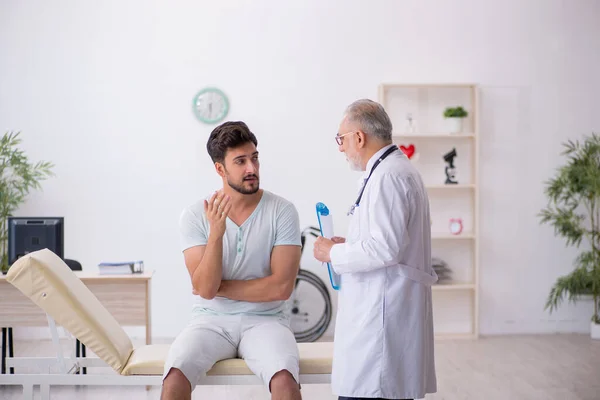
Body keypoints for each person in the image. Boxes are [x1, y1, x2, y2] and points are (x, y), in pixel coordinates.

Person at [161, 121, 303, 400]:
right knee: (175, 377)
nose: (251, 168)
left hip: (267, 320)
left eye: (254, 158)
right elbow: (204, 288)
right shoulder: (194, 215)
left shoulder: (283, 211)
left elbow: (280, 288)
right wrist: (216, 233)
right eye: (240, 161)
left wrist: (218, 288)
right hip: (210, 320)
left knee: (285, 381)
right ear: (220, 169)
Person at [313, 99, 438, 400]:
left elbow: (384, 249)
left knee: (371, 389)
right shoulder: (390, 171)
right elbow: (386, 240)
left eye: (341, 139)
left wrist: (332, 253)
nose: (340, 148)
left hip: (381, 320)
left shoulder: (388, 176)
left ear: (359, 137)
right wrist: (351, 246)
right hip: (385, 310)